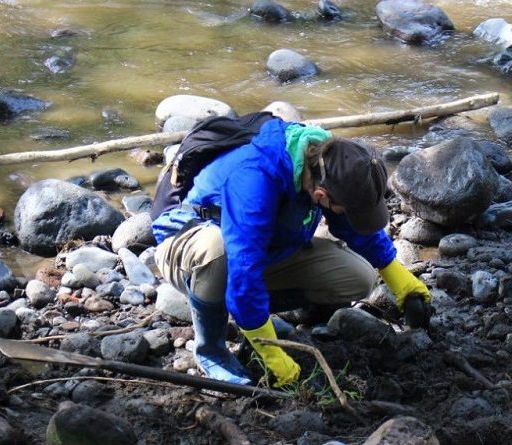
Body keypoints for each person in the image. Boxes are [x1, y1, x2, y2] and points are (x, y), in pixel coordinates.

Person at [151, 116, 431, 387]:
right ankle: (212, 350)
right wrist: (271, 352)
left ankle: (252, 317)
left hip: (266, 248)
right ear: (321, 196)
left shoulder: (332, 166)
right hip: (189, 243)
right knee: (218, 251)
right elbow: (245, 266)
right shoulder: (256, 178)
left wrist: (395, 273)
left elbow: (353, 227)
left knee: (359, 277)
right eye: (342, 208)